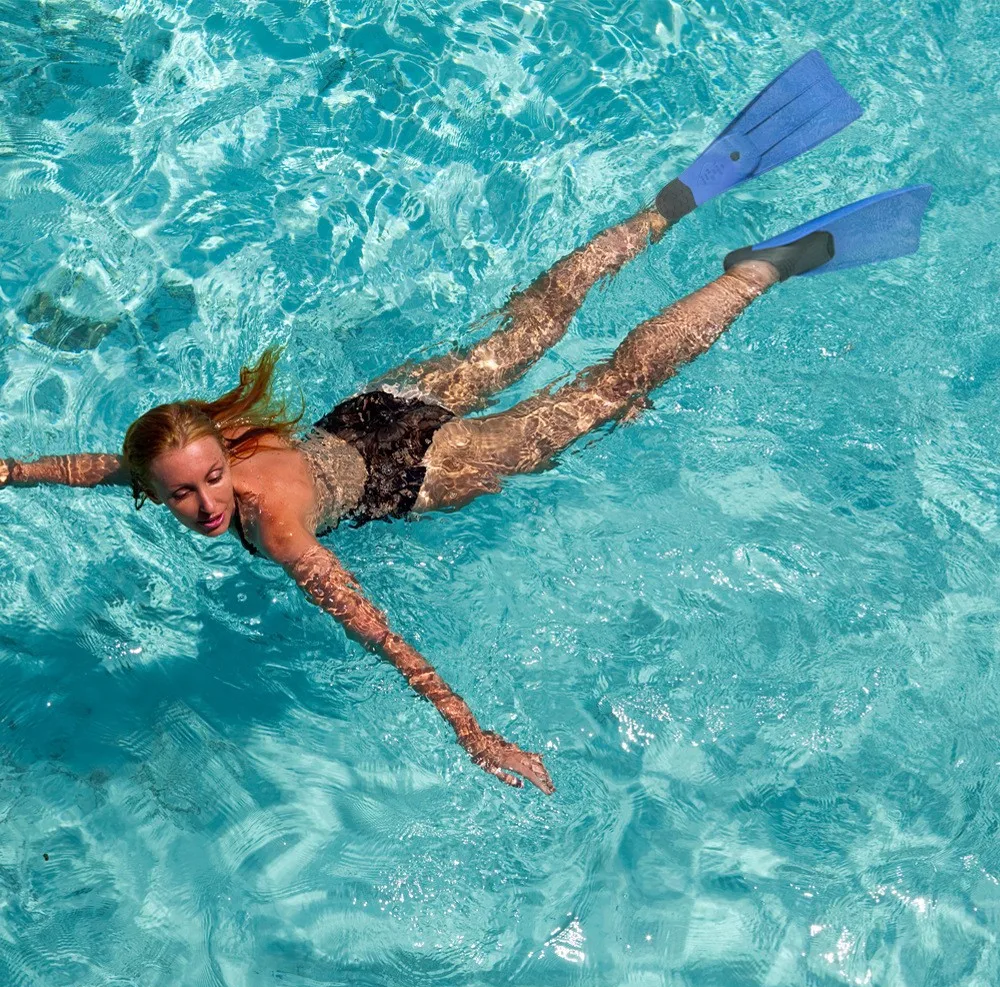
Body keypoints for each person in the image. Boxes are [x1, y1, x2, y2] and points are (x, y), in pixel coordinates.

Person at [0, 52, 930, 794]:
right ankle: (664, 208)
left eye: (207, 481)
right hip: (379, 408)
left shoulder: (272, 529)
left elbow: (375, 628)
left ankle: (754, 272)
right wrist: (11, 473)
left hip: (422, 467)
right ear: (162, 476)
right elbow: (94, 466)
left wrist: (463, 722)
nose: (206, 501)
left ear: (215, 448)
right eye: (184, 492)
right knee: (536, 320)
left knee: (604, 394)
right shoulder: (195, 444)